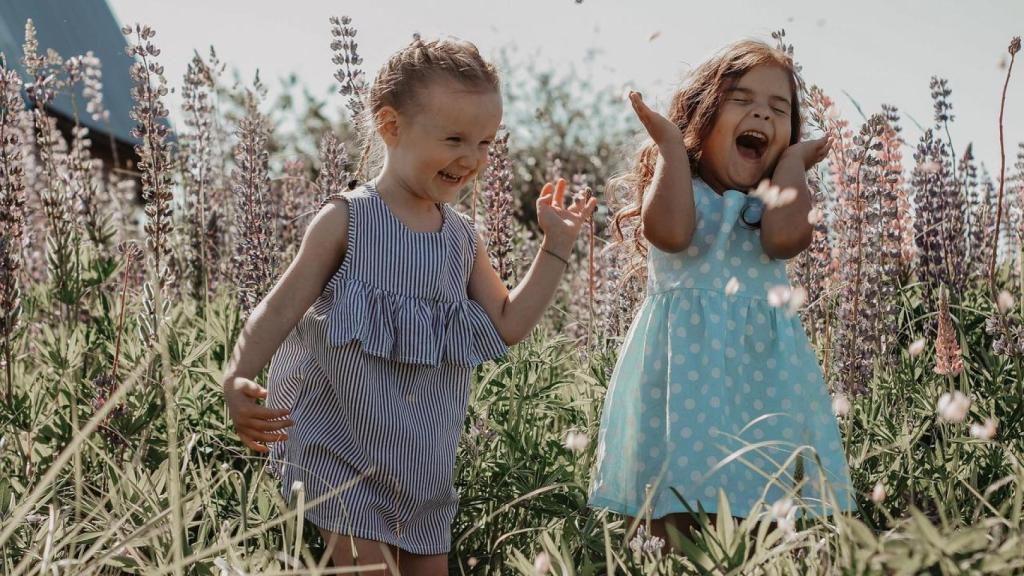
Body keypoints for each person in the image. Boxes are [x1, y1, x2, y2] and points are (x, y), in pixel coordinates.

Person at [221, 37, 596, 574]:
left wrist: (555, 247)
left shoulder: (462, 239)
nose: (472, 158)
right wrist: (238, 376)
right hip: (337, 448)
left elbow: (509, 322)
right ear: (391, 127)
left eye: (487, 143)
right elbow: (278, 309)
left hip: (423, 465)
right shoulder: (348, 220)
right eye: (454, 139)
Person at [589, 39, 855, 544]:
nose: (762, 112)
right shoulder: (680, 189)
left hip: (764, 389)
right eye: (742, 99)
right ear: (701, 117)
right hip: (679, 388)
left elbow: (785, 239)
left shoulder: (770, 207)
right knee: (667, 522)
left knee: (763, 519)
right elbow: (669, 233)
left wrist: (794, 165)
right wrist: (670, 146)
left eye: (780, 109)